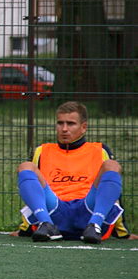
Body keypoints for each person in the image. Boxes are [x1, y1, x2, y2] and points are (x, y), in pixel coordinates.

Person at [16, 101, 132, 244]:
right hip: (55, 210)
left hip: (88, 210)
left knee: (112, 165)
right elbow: (34, 190)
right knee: (26, 166)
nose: (64, 129)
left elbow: (113, 194)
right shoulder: (42, 151)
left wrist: (122, 232)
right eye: (60, 123)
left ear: (83, 127)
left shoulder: (99, 151)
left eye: (70, 124)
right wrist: (25, 229)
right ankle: (46, 225)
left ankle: (94, 226)